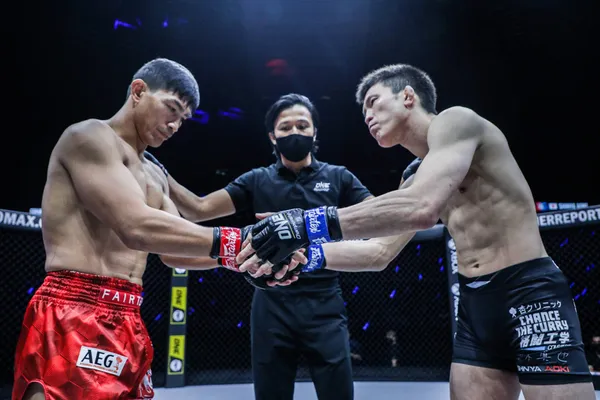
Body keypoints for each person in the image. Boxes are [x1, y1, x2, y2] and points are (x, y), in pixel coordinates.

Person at [238, 64, 595, 399]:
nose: (367, 115)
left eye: (374, 102)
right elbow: (378, 253)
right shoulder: (416, 175)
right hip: (476, 306)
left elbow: (421, 208)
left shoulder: (457, 121)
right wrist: (304, 255)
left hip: (528, 292)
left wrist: (303, 224)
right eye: (364, 110)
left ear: (408, 96)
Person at [12, 58, 272, 400]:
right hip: (74, 309)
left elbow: (175, 251)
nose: (175, 125)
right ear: (138, 91)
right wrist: (240, 239)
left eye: (183, 119)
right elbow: (134, 226)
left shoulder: (154, 173)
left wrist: (247, 256)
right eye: (172, 109)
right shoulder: (88, 137)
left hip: (129, 316)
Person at [153, 93, 416, 400]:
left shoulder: (338, 177)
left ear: (314, 132)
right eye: (286, 127)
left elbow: (378, 217)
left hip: (325, 303)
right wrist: (161, 173)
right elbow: (198, 209)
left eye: (302, 126)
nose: (294, 132)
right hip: (270, 307)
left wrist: (408, 188)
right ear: (272, 136)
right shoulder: (257, 180)